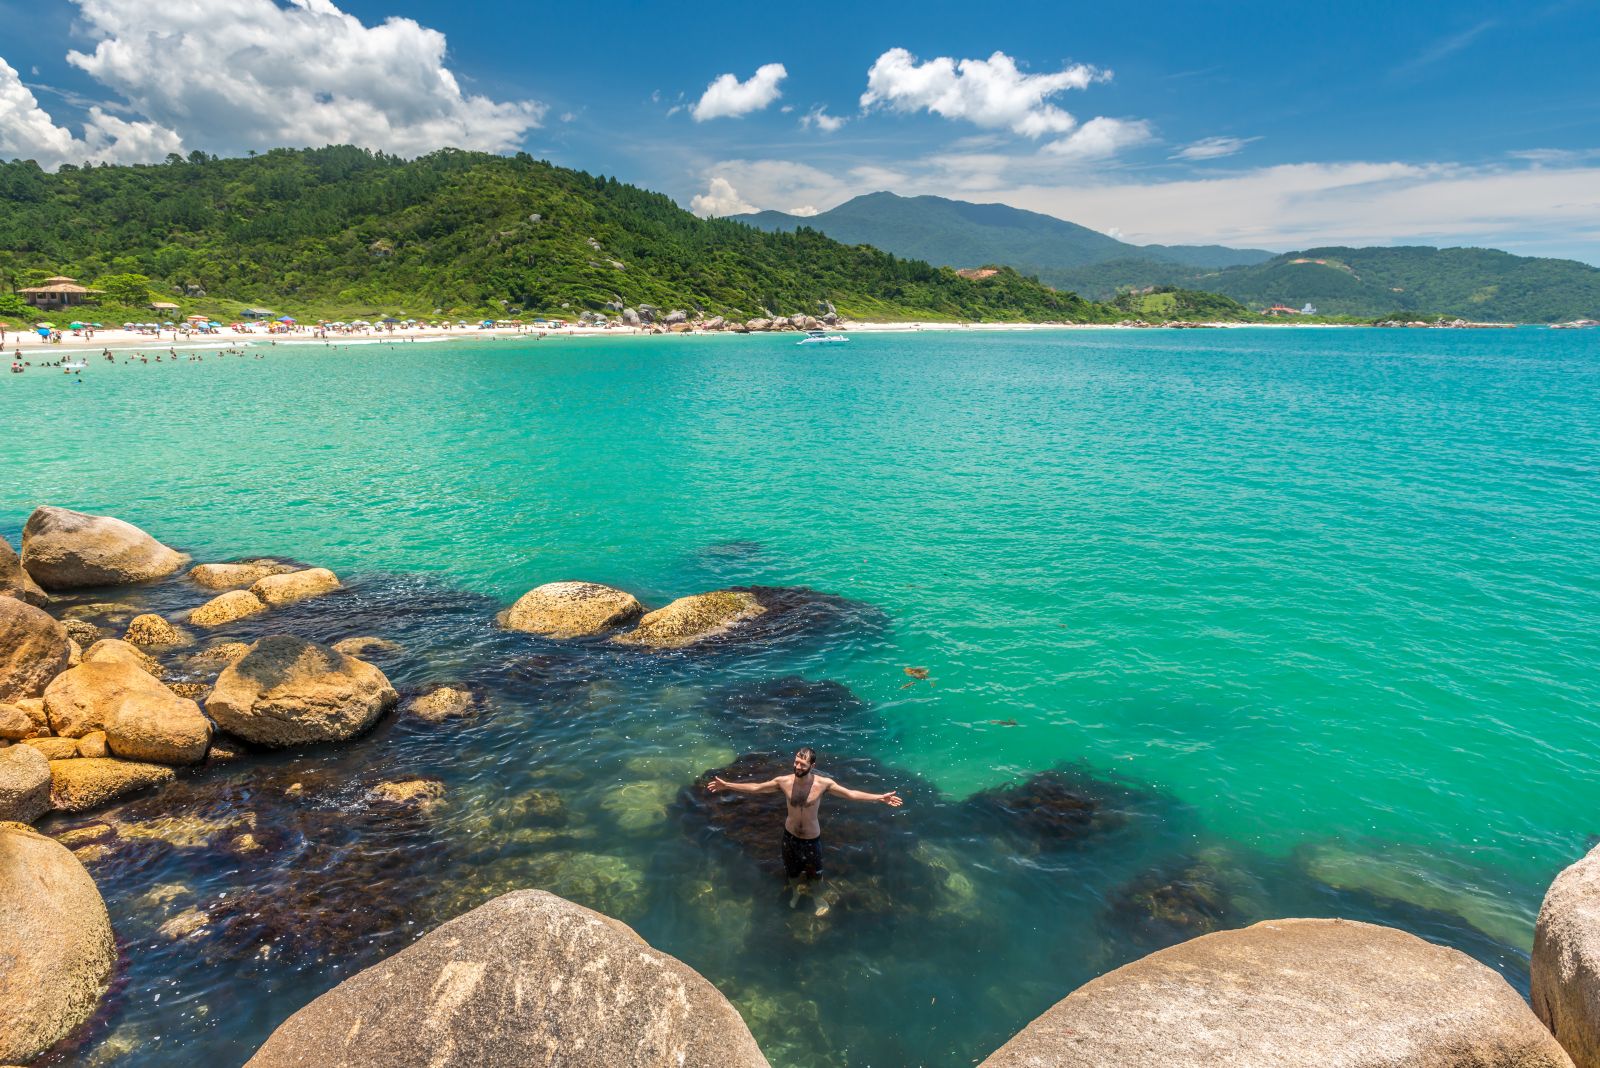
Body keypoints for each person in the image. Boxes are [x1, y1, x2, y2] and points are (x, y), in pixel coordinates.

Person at [707, 748, 903, 898]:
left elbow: (851, 794)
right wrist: (727, 785)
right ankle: (794, 893)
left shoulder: (823, 784)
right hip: (789, 836)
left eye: (803, 764)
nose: (798, 767)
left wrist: (879, 797)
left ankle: (817, 897)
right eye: (796, 762)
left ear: (812, 765)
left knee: (816, 873)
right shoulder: (784, 782)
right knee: (791, 871)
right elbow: (757, 788)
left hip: (811, 839)